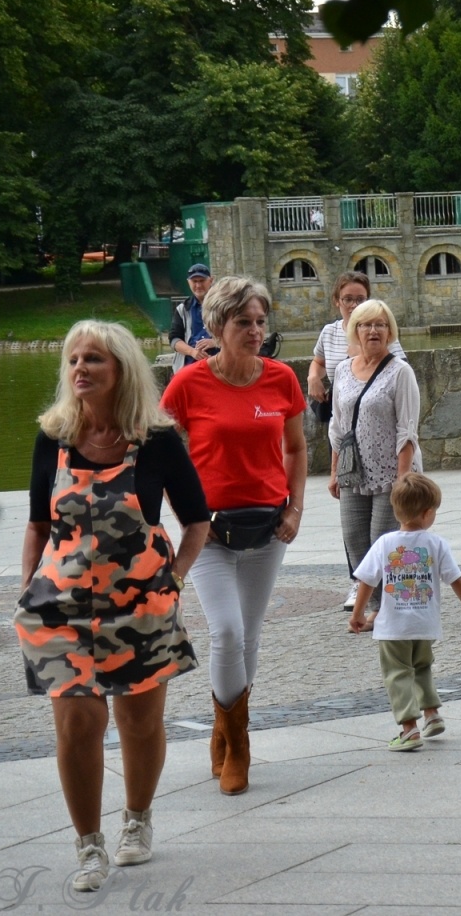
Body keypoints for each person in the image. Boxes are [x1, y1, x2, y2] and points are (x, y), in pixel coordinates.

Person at [15, 320, 208, 891]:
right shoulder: (52, 437)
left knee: (139, 721)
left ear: (120, 369)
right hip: (60, 608)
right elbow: (36, 521)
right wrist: (27, 588)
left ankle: (138, 820)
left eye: (93, 359)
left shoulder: (157, 439)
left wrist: (171, 580)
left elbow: (197, 520)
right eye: (73, 359)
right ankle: (88, 844)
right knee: (78, 722)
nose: (80, 369)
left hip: (141, 607)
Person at [160, 276, 307, 797]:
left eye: (260, 321)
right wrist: (178, 512)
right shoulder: (189, 384)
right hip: (209, 533)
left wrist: (296, 509)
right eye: (243, 321)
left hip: (268, 525)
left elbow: (295, 449)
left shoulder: (282, 379)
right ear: (218, 325)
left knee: (250, 634)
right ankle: (238, 744)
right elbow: (160, 451)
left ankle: (225, 734)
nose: (254, 330)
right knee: (225, 632)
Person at [349, 473, 461, 751]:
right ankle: (431, 713)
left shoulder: (385, 544)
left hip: (393, 626)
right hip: (425, 623)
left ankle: (409, 729)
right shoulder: (436, 544)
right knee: (422, 667)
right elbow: (456, 579)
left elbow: (366, 581)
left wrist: (358, 614)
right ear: (427, 513)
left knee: (397, 674)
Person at [327, 299, 422, 612]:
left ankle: (384, 611)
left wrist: (403, 480)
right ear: (355, 330)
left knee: (384, 543)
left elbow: (407, 430)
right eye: (366, 325)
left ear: (390, 331)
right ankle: (376, 606)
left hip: (390, 473)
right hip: (353, 471)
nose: (373, 331)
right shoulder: (343, 370)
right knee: (355, 541)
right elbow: (338, 427)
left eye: (380, 324)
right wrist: (334, 471)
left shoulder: (400, 372)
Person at [306, 270, 407, 426]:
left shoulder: (380, 333)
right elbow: (319, 362)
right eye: (348, 299)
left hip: (377, 417)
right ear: (337, 301)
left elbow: (401, 373)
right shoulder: (329, 332)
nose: (354, 305)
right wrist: (313, 377)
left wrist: (361, 354)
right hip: (339, 418)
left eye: (360, 299)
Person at [168, 264, 218, 369]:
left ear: (211, 280)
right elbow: (174, 339)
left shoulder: (223, 306)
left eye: (202, 281)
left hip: (219, 366)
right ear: (188, 282)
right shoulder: (182, 309)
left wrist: (216, 342)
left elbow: (238, 335)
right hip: (190, 367)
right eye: (194, 281)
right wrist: (193, 352)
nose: (198, 285)